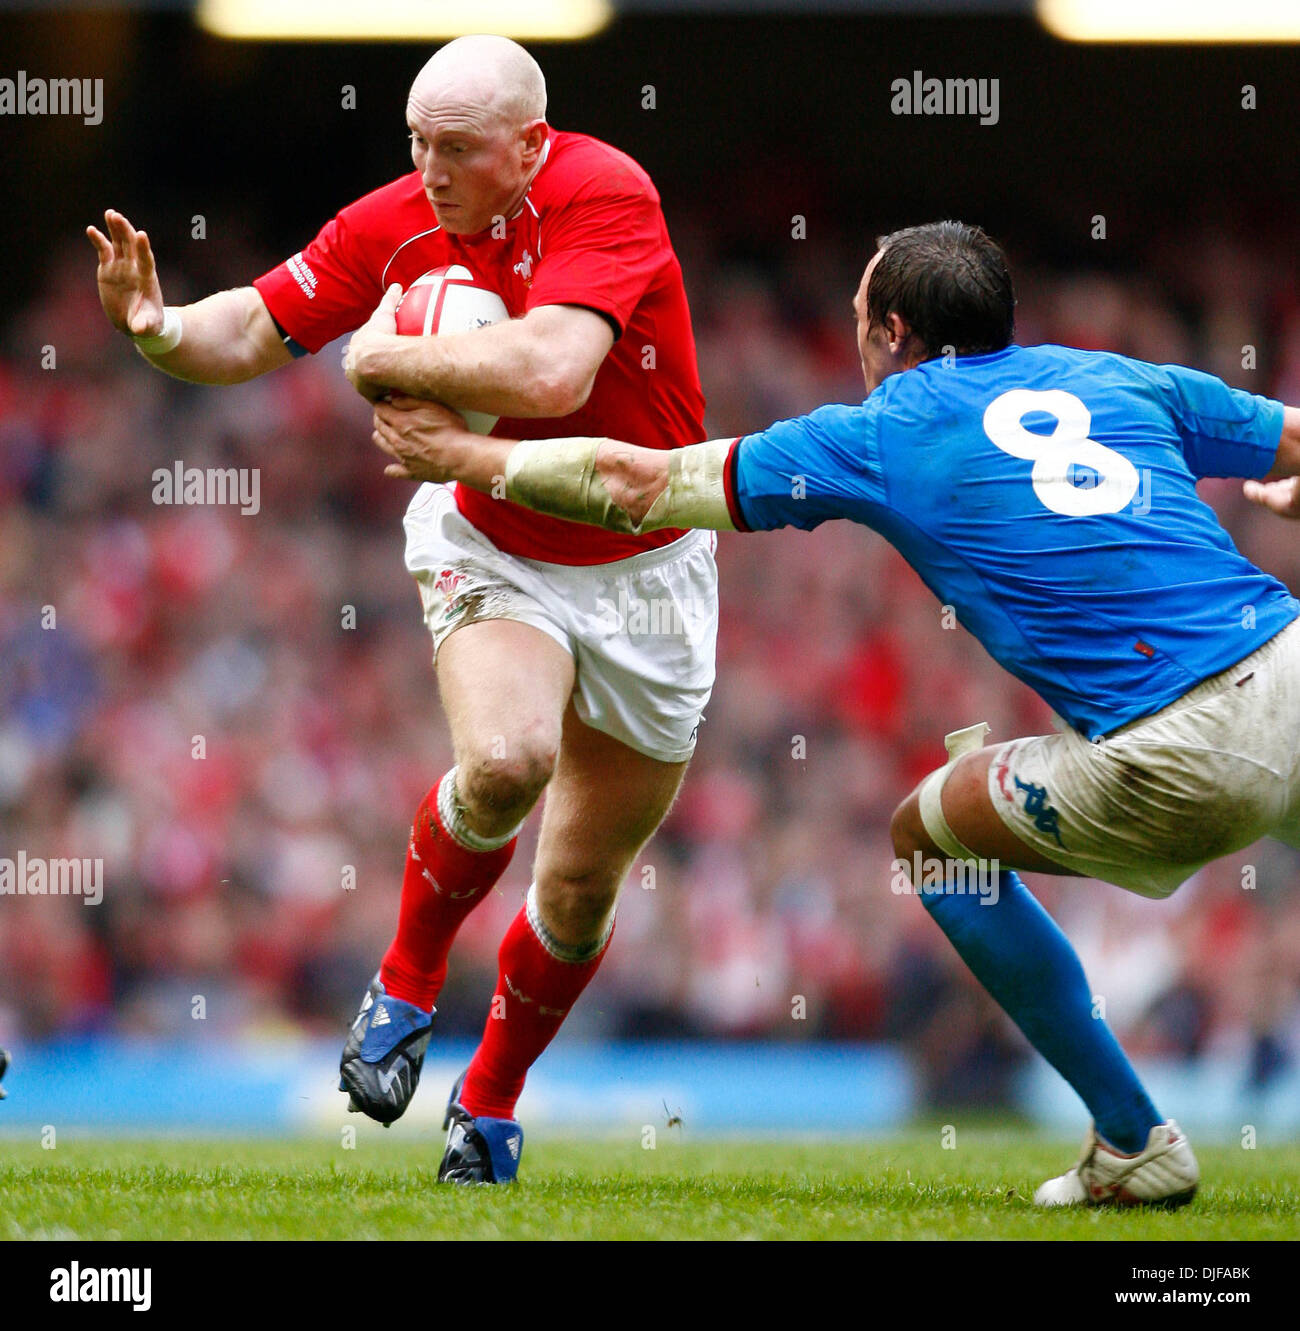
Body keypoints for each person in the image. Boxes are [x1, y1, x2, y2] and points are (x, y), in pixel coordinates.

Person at [370, 219, 1300, 1207]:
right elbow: (1289, 434)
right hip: (1287, 662)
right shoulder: (1114, 376)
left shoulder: (880, 431)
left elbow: (635, 482)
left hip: (1178, 745)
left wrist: (465, 452)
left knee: (933, 838)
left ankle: (1130, 1138)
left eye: (859, 319)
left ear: (893, 331)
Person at [87, 34, 718, 1185]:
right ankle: (408, 978)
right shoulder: (395, 218)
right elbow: (255, 325)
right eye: (417, 143)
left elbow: (553, 372)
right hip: (491, 536)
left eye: (459, 149)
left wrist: (385, 362)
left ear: (530, 147)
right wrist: (157, 328)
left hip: (649, 562)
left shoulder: (605, 189)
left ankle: (487, 1102)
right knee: (507, 760)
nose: (430, 169)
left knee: (576, 891)